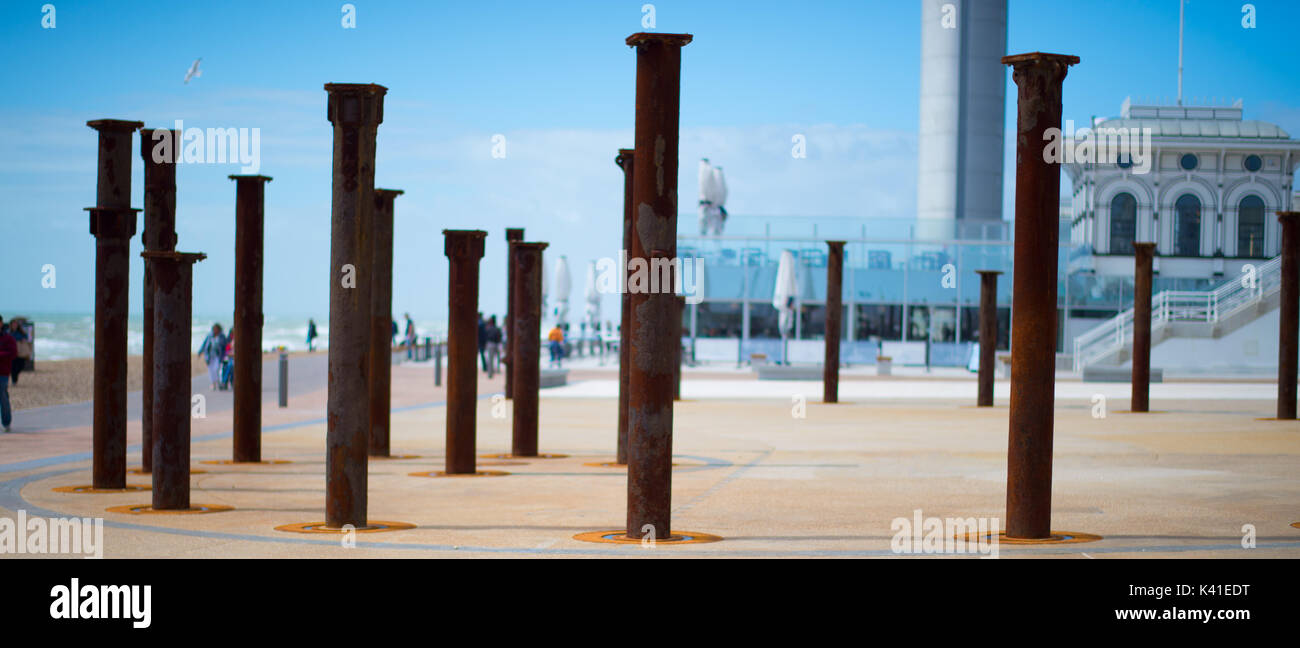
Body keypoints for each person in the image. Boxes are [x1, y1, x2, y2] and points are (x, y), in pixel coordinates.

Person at [198, 323, 228, 391]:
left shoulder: (222, 336)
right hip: (210, 356)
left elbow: (225, 346)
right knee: (211, 370)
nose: (215, 330)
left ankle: (217, 382)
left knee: (216, 369)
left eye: (216, 329)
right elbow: (204, 344)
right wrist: (200, 352)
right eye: (214, 329)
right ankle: (213, 383)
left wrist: (225, 354)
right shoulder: (209, 336)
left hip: (218, 356)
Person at [0, 315, 16, 432]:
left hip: (3, 372)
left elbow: (13, 353)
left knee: (3, 397)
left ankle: (6, 422)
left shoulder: (8, 338)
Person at [8, 317, 31, 385]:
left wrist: (23, 339)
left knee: (21, 365)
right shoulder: (8, 332)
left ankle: (15, 378)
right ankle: (14, 380)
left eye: (15, 324)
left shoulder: (21, 332)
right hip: (12, 351)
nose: (14, 325)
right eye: (13, 324)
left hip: (21, 351)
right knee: (13, 366)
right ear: (11, 325)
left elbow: (26, 338)